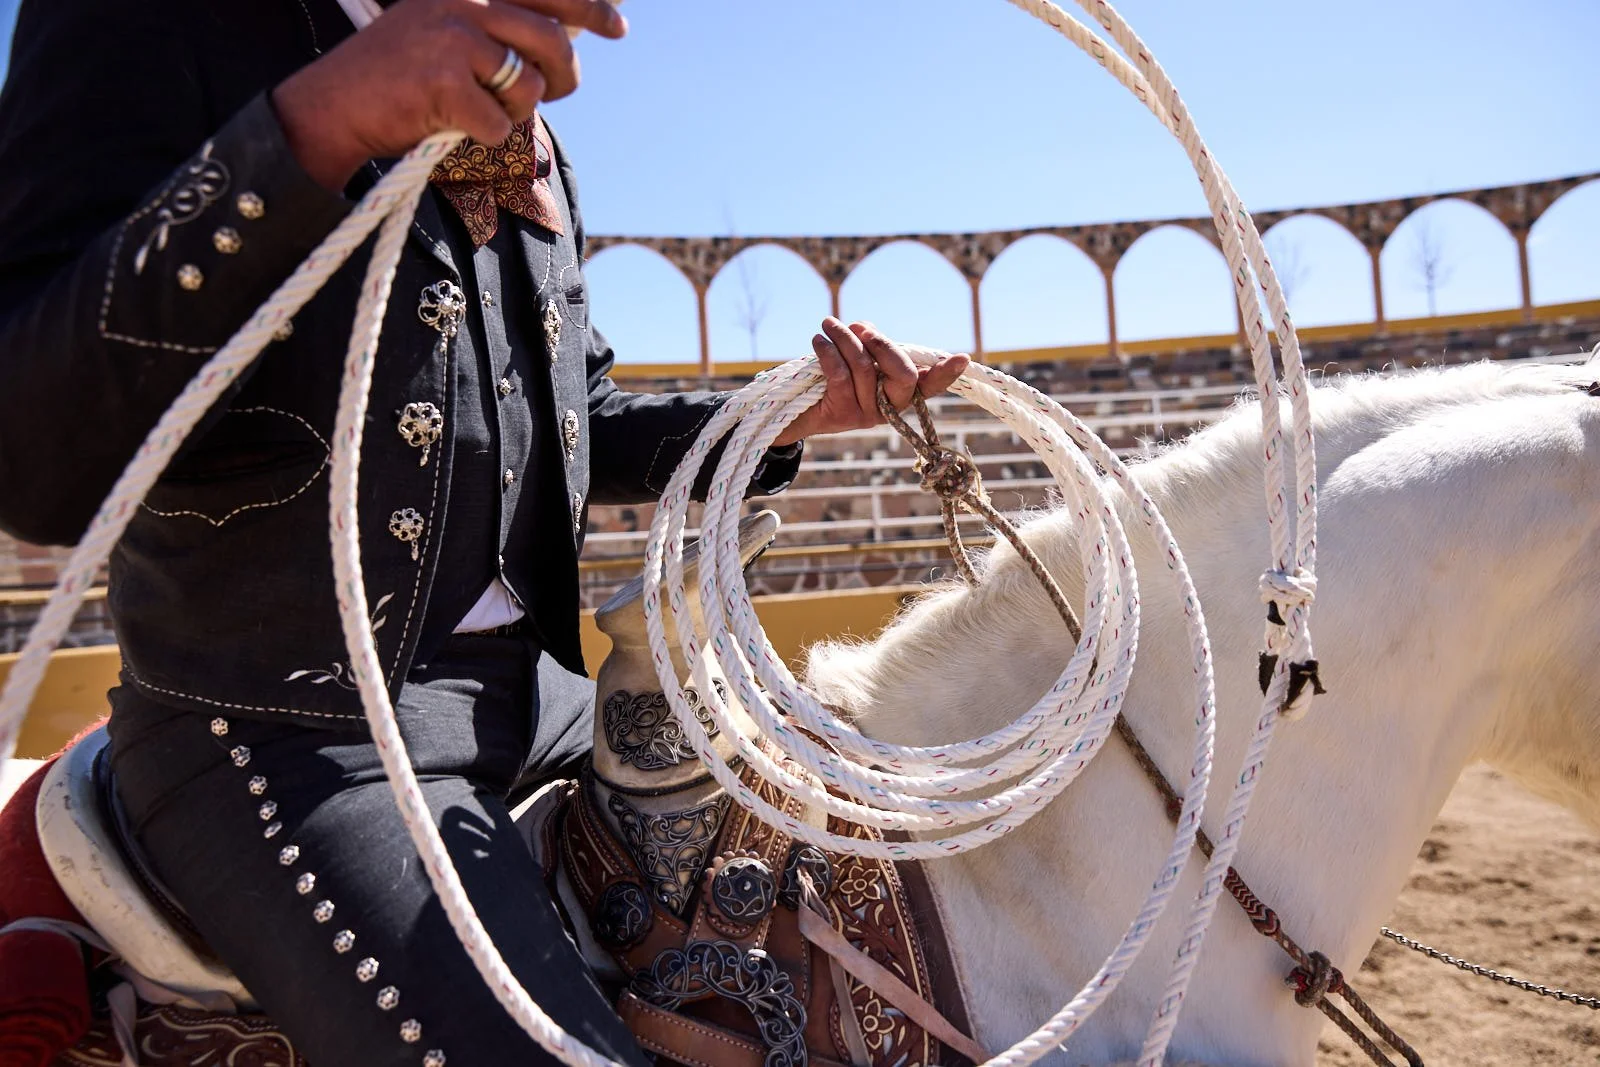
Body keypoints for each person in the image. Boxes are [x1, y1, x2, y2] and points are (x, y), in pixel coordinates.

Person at [0, 0, 969, 1063]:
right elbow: (29, 448)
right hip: (289, 726)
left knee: (885, 904)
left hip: (545, 699)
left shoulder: (518, 111)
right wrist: (314, 125)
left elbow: (573, 414)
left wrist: (777, 414)